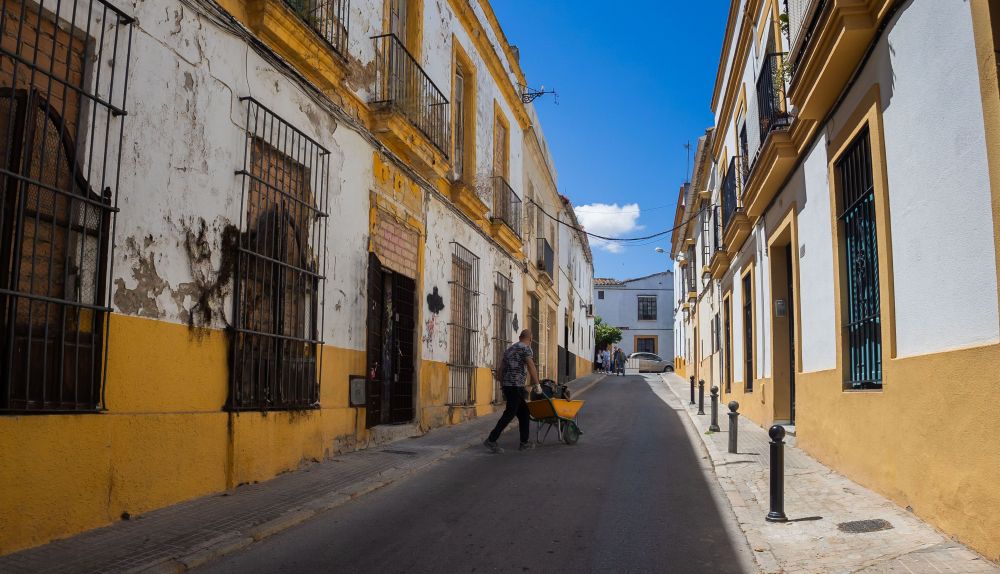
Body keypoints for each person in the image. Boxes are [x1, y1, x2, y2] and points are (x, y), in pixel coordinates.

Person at [485, 329, 541, 453]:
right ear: (530, 338)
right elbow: (531, 365)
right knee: (510, 413)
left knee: (524, 412)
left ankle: (524, 442)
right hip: (516, 386)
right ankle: (491, 440)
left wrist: (502, 384)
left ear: (520, 336)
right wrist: (537, 384)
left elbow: (501, 369)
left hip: (509, 386)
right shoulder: (526, 348)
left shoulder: (510, 349)